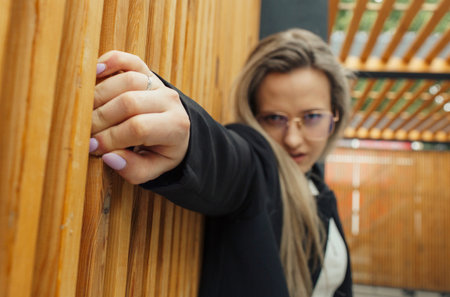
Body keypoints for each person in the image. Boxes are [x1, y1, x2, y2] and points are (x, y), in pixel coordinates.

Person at [90, 28, 353, 297]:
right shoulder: (260, 170)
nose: (294, 140)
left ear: (335, 115)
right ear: (253, 116)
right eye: (274, 118)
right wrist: (189, 136)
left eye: (311, 117)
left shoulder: (318, 185)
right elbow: (233, 162)